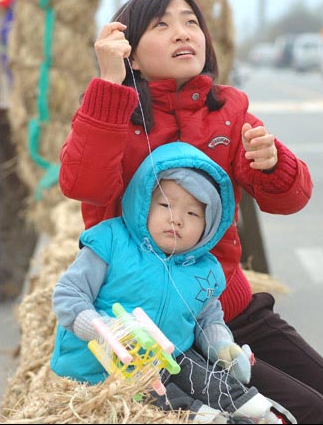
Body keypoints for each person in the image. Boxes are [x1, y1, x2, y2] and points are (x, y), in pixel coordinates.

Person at [58, 0, 323, 423]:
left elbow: (290, 201)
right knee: (308, 412)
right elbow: (81, 183)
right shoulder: (112, 113)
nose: (182, 33)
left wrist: (274, 164)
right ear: (133, 56)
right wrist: (109, 84)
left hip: (228, 305)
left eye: (190, 22)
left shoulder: (229, 110)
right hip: (154, 327)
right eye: (161, 25)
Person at [51, 141, 296, 424]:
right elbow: (68, 296)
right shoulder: (111, 241)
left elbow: (207, 316)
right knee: (157, 391)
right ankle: (207, 418)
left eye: (192, 213)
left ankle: (257, 411)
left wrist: (221, 345)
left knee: (203, 372)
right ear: (144, 203)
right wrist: (104, 329)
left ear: (210, 225)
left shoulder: (204, 270)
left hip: (170, 356)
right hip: (103, 367)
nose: (176, 219)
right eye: (166, 205)